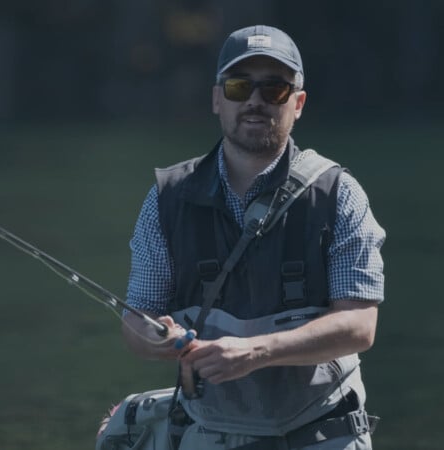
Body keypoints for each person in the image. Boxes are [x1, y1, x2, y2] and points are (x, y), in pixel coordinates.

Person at [121, 25, 386, 449]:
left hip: (321, 430)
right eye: (239, 86)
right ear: (216, 99)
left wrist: (256, 352)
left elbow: (359, 325)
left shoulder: (340, 194)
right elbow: (136, 322)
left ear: (297, 104)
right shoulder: (166, 200)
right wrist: (158, 339)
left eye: (274, 89)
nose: (255, 101)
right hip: (212, 430)